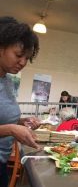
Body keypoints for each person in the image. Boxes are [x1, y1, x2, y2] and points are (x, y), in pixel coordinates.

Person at [0, 16, 41, 187]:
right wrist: (11, 129)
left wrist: (21, 122)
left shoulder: (7, 80)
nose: (23, 62)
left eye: (27, 58)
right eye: (18, 55)